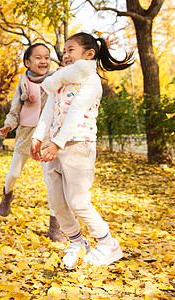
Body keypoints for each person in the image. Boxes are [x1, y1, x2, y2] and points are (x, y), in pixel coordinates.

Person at [30, 32, 134, 267]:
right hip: (53, 147)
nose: (65, 55)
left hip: (78, 146)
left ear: (89, 54)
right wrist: (38, 137)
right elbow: (48, 112)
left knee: (78, 202)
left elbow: (76, 113)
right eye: (64, 51)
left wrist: (57, 143)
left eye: (71, 50)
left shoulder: (91, 80)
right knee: (56, 202)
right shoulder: (60, 81)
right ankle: (77, 242)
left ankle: (108, 244)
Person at [0, 43, 67, 242]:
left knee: (52, 182)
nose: (44, 61)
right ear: (27, 62)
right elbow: (14, 111)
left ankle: (54, 228)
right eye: (38, 57)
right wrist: (7, 126)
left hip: (46, 136)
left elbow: (74, 72)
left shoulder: (55, 79)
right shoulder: (22, 85)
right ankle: (7, 194)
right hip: (25, 135)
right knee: (14, 174)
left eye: (47, 57)